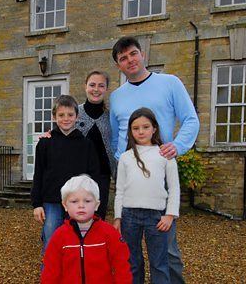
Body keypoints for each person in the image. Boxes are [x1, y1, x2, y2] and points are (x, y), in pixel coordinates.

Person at [109, 36, 199, 284]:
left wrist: (177, 147)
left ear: (143, 54)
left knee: (166, 248)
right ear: (119, 65)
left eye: (133, 54)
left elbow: (191, 119)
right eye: (123, 58)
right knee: (131, 251)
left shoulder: (169, 83)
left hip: (161, 171)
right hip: (129, 174)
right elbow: (116, 134)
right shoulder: (117, 96)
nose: (130, 60)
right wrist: (120, 163)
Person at [113, 108, 180, 284]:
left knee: (159, 263)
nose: (141, 132)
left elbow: (174, 188)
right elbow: (119, 190)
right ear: (130, 131)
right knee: (132, 262)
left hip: (157, 217)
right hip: (129, 216)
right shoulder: (126, 157)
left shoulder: (165, 154)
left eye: (145, 127)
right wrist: (118, 217)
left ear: (154, 128)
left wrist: (170, 215)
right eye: (136, 128)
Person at [31, 95, 100, 253]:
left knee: (76, 242)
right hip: (52, 201)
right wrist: (37, 204)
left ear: (77, 116)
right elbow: (39, 174)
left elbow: (93, 175)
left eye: (70, 115)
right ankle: (50, 275)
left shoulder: (86, 144)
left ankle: (73, 276)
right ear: (54, 117)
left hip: (78, 201)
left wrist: (94, 200)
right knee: (51, 240)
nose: (66, 119)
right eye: (61, 115)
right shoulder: (45, 143)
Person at [42, 174, 132, 283]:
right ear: (65, 205)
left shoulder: (109, 233)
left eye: (87, 201)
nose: (81, 205)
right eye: (74, 201)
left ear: (96, 205)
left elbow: (121, 266)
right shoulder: (59, 236)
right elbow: (50, 271)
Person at [76, 70, 117, 220]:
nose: (96, 89)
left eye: (101, 85)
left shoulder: (111, 116)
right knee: (76, 216)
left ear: (106, 89)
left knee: (98, 217)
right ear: (85, 86)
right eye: (92, 85)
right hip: (77, 174)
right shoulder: (75, 112)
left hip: (102, 175)